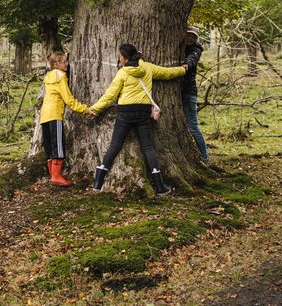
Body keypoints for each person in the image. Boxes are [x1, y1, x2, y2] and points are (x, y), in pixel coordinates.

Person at [90, 43, 188, 195]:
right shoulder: (147, 67)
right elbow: (167, 73)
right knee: (148, 147)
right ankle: (160, 186)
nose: (119, 59)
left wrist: (95, 108)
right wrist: (183, 69)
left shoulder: (122, 73)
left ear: (126, 58)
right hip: (142, 112)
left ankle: (97, 184)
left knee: (115, 145)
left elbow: (110, 95)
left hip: (125, 112)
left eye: (120, 57)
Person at [40, 50, 92, 186]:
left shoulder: (49, 76)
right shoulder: (60, 76)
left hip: (44, 115)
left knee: (50, 145)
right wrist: (85, 109)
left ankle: (53, 174)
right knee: (58, 145)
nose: (67, 64)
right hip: (55, 114)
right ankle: (56, 176)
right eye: (64, 62)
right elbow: (69, 100)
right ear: (56, 64)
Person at [182, 27, 209, 161]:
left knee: (193, 127)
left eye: (193, 37)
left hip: (189, 92)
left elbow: (192, 59)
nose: (190, 38)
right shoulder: (180, 46)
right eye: (188, 35)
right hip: (179, 92)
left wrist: (186, 65)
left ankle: (205, 157)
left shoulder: (196, 49)